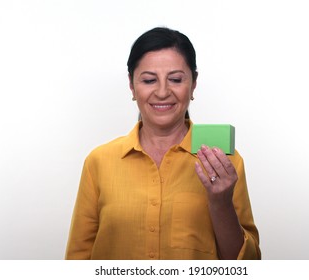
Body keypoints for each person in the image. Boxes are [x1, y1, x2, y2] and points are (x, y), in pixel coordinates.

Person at [65, 27, 261, 260]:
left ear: (194, 83)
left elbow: (247, 264)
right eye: (149, 80)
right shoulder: (99, 161)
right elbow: (78, 257)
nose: (162, 92)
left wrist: (221, 203)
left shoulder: (224, 160)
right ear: (132, 85)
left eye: (176, 79)